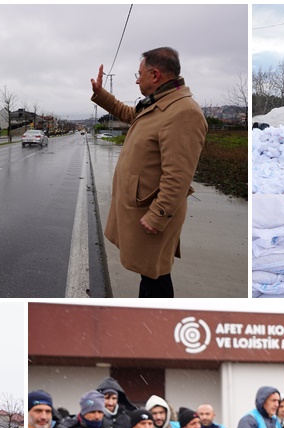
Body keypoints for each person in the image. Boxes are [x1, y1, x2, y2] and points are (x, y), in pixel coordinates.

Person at [90, 47, 208, 298]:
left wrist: (158, 215)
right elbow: (128, 114)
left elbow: (179, 175)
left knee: (155, 276)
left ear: (155, 75)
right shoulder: (160, 105)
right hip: (142, 207)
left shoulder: (184, 112)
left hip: (152, 212)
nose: (136, 79)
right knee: (152, 273)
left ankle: (155, 326)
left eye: (139, 73)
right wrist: (101, 95)